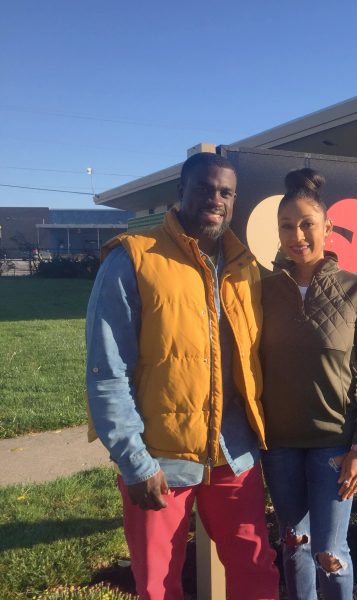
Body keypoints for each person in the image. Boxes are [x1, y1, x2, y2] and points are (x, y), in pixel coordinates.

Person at [85, 152, 279, 600]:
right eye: (205, 189)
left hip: (235, 454)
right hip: (159, 458)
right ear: (181, 192)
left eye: (226, 192)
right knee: (157, 585)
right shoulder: (133, 258)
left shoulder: (245, 265)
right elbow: (107, 369)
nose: (216, 199)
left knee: (256, 572)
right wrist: (134, 462)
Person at [260, 168, 357, 600]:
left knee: (330, 553)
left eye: (307, 224)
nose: (297, 235)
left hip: (334, 446)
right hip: (279, 446)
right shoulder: (262, 292)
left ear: (328, 228)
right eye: (286, 226)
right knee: (294, 545)